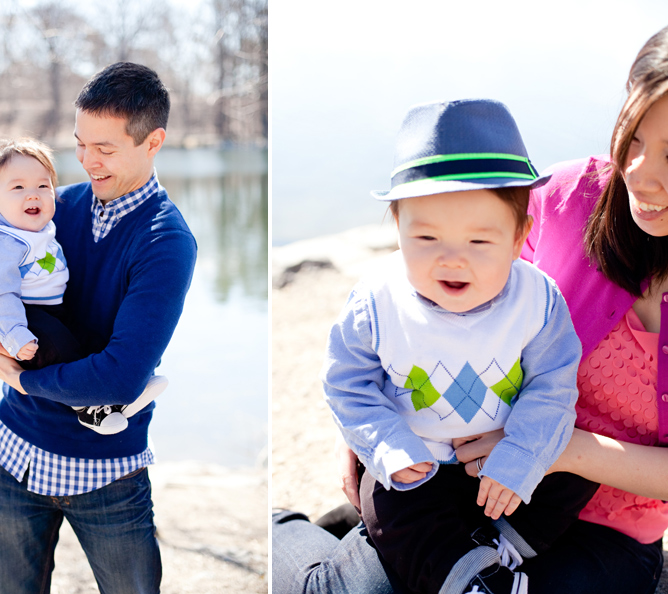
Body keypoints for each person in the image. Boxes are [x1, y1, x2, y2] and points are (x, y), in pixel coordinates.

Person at [273, 25, 668, 594]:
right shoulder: (562, 201)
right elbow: (436, 252)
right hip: (458, 471)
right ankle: (288, 532)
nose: (638, 172)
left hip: (597, 521)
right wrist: (369, 424)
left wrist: (560, 451)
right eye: (632, 137)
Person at [321, 99, 598, 594]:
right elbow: (347, 383)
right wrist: (387, 446)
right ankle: (472, 575)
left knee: (572, 475)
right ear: (397, 229)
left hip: (499, 461)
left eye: (479, 243)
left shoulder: (536, 299)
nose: (452, 260)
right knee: (389, 502)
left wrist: (521, 454)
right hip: (419, 461)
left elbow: (553, 385)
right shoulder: (377, 301)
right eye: (425, 236)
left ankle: (503, 542)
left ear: (518, 239)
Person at [0, 62, 197, 594]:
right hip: (14, 452)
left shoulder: (165, 242)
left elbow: (119, 378)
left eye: (104, 149)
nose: (86, 161)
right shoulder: (56, 204)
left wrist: (22, 380)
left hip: (105, 473)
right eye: (80, 144)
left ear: (153, 141)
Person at [0, 137, 169, 435]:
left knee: (80, 344)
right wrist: (13, 334)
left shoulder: (38, 220)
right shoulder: (2, 239)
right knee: (58, 348)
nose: (32, 195)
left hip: (49, 307)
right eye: (18, 187)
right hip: (23, 313)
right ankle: (92, 408)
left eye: (43, 186)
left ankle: (114, 398)